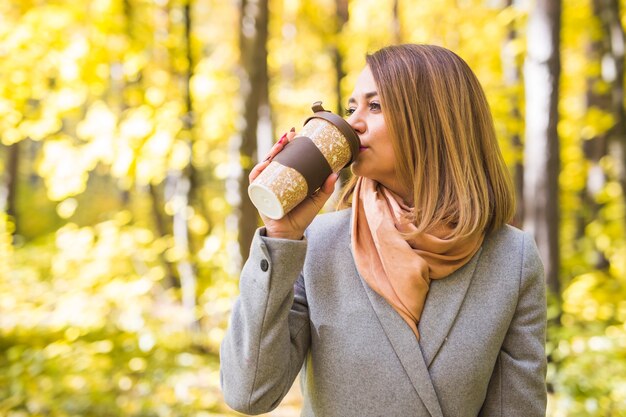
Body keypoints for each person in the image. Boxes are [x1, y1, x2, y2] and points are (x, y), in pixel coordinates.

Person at [220, 44, 547, 417]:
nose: (353, 123)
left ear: (435, 119)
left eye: (374, 106)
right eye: (351, 108)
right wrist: (279, 238)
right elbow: (248, 393)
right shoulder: (316, 244)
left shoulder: (511, 258)